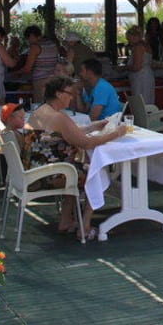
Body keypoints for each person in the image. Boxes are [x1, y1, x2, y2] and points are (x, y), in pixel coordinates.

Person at [27, 76, 127, 237]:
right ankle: (85, 225)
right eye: (70, 93)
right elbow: (86, 144)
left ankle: (66, 219)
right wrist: (116, 133)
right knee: (94, 172)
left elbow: (68, 133)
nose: (72, 97)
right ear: (59, 94)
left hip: (37, 170)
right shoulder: (59, 117)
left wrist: (94, 125)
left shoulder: (40, 112)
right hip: (54, 174)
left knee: (77, 168)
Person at [18, 25, 59, 103]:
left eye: (28, 38)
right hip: (53, 79)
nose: (28, 41)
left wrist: (15, 73)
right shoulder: (52, 44)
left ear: (31, 36)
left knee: (40, 106)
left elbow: (27, 69)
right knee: (52, 105)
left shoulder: (35, 47)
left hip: (41, 81)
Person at [123, 26, 155, 104]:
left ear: (134, 37)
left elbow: (137, 67)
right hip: (146, 76)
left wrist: (124, 68)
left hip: (141, 78)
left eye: (129, 39)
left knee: (141, 103)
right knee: (147, 101)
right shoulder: (146, 45)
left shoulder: (138, 47)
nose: (129, 42)